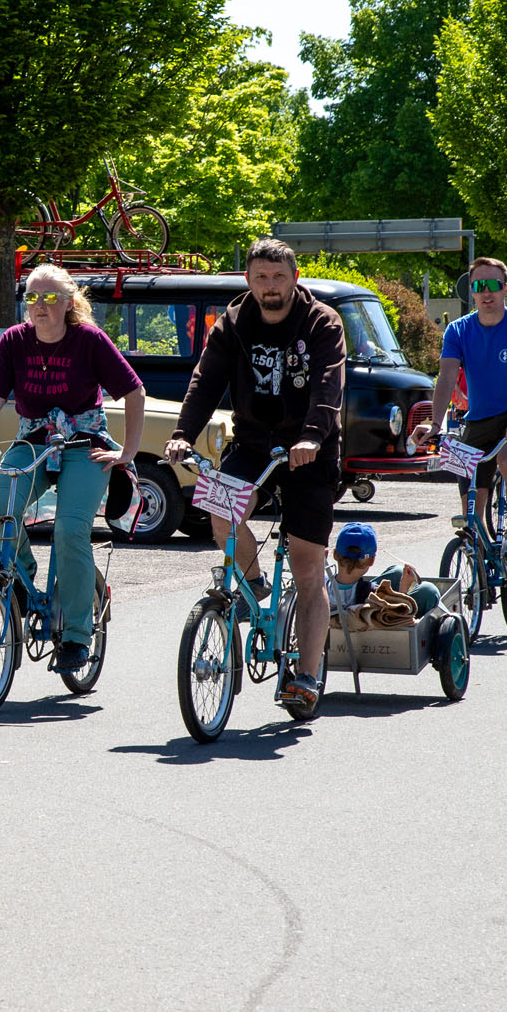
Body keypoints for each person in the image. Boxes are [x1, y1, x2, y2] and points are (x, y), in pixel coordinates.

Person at [165, 238, 345, 713]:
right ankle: (255, 583)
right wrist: (183, 433)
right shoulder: (232, 322)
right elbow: (206, 381)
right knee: (218, 511)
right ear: (248, 279)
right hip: (252, 443)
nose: (270, 288)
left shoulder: (321, 322)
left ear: (294, 278)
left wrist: (311, 437)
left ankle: (306, 676)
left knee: (308, 567)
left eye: (279, 278)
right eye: (261, 278)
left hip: (311, 450)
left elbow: (329, 385)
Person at [0, 263, 144, 673]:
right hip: (35, 440)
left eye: (49, 298)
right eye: (32, 297)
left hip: (85, 443)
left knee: (69, 529)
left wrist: (127, 453)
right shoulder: (14, 340)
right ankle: (21, 585)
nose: (40, 306)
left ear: (68, 303)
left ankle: (77, 636)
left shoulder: (89, 340)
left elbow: (134, 392)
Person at [410, 257, 507, 560]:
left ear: (505, 288)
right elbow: (445, 378)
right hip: (477, 421)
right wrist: (435, 424)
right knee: (470, 492)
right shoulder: (457, 330)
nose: (487, 293)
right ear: (471, 291)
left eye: (493, 285)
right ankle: (478, 553)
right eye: (479, 286)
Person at [327, 522, 440, 619]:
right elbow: (395, 618)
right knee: (429, 590)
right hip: (370, 625)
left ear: (335, 555)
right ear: (372, 561)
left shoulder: (322, 587)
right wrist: (403, 588)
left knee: (397, 572)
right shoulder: (373, 594)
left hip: (338, 608)